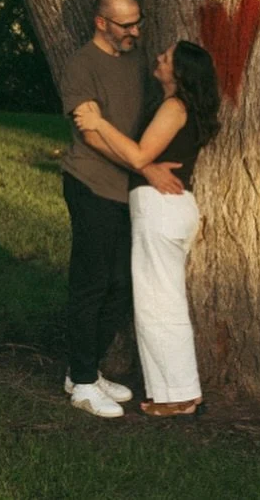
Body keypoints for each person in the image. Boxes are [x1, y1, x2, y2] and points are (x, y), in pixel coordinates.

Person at [74, 39, 220, 418]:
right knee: (162, 303)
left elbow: (139, 155)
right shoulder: (176, 106)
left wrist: (98, 123)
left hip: (161, 212)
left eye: (167, 58)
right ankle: (179, 393)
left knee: (160, 306)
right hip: (166, 210)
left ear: (181, 73)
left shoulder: (174, 106)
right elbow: (144, 161)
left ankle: (180, 397)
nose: (159, 58)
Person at [59, 0, 183, 419]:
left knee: (122, 284)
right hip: (91, 186)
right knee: (91, 283)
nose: (136, 31)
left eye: (138, 21)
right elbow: (92, 134)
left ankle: (84, 370)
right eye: (126, 25)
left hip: (127, 192)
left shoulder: (133, 61)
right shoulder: (80, 67)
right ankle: (82, 384)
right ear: (101, 23)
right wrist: (145, 166)